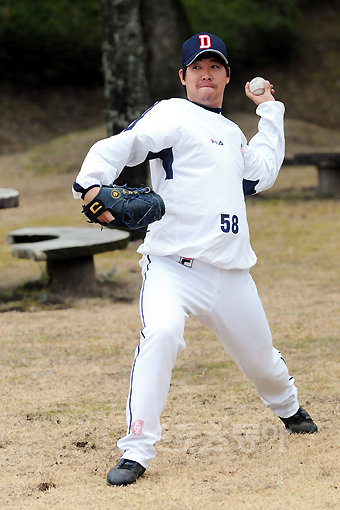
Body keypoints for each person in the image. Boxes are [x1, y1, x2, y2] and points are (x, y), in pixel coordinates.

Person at [73, 32, 318, 486]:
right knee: (162, 332)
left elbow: (261, 173)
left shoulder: (230, 134)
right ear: (183, 75)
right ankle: (136, 450)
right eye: (197, 67)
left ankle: (288, 407)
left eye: (215, 66)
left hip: (231, 274)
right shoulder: (172, 113)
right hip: (172, 265)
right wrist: (89, 186)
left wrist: (270, 110)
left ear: (226, 75)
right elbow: (122, 146)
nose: (207, 74)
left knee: (262, 361)